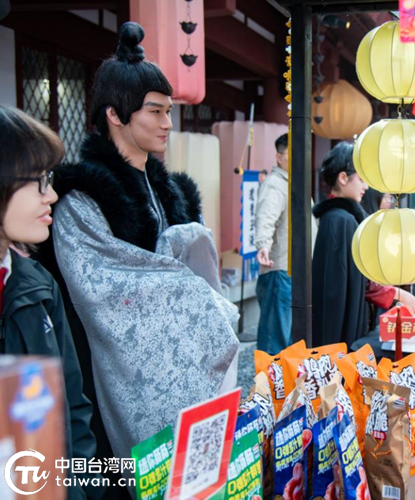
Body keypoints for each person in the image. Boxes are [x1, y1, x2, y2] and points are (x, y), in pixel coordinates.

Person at [33, 22, 239, 482]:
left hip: (182, 372)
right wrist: (185, 285)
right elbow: (101, 290)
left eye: (169, 111)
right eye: (155, 111)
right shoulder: (83, 198)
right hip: (105, 374)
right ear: (115, 113)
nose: (167, 123)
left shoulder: (172, 193)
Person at [0, 105, 102, 499]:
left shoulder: (38, 286)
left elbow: (71, 408)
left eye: (50, 179)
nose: (52, 195)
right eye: (39, 181)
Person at [312, 143, 415, 348]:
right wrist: (398, 294)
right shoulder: (341, 220)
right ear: (343, 178)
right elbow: (358, 281)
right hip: (340, 321)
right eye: (362, 179)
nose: (366, 187)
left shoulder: (337, 217)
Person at [255, 134, 292, 355]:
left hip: (290, 272)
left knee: (286, 338)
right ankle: (269, 378)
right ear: (279, 157)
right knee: (275, 341)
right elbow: (266, 218)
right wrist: (263, 245)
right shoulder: (275, 184)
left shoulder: (291, 183)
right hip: (279, 270)